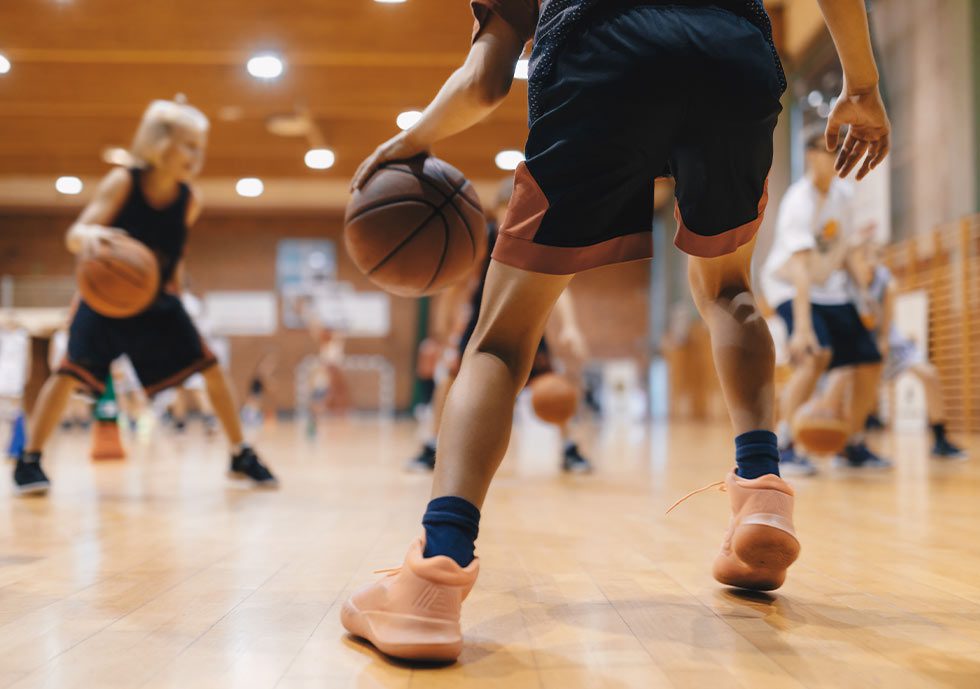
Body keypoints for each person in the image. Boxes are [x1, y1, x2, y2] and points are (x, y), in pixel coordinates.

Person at [342, 0, 890, 662]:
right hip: (733, 50)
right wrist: (861, 84)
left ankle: (436, 573)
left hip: (600, 48)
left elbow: (486, 80)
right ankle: (763, 494)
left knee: (499, 344)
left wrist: (408, 142)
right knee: (729, 290)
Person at [13, 97, 277, 495]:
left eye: (200, 148)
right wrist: (90, 236)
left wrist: (180, 300)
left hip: (155, 299)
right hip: (104, 299)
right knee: (67, 374)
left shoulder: (189, 200)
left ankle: (240, 453)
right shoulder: (123, 182)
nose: (196, 155)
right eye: (188, 145)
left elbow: (175, 257)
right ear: (158, 142)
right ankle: (29, 460)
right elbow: (75, 234)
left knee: (210, 366)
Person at [406, 179, 593, 474]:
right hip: (482, 321)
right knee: (448, 381)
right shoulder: (484, 239)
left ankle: (570, 449)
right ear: (497, 211)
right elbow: (459, 282)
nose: (512, 219)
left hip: (526, 319)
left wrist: (570, 326)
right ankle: (431, 445)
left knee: (552, 387)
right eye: (508, 211)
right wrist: (444, 321)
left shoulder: (538, 240)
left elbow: (560, 287)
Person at [761, 130, 890, 475]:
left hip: (828, 287)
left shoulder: (844, 195)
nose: (836, 159)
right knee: (815, 356)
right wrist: (802, 330)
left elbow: (844, 249)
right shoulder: (798, 202)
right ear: (810, 156)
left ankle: (852, 444)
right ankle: (786, 445)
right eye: (829, 152)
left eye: (840, 153)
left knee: (869, 360)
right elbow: (801, 268)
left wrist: (863, 295)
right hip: (789, 285)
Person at [853, 242, 966, 459]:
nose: (871, 262)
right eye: (866, 256)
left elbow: (885, 329)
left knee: (929, 374)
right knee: (858, 392)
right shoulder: (847, 283)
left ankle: (940, 439)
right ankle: (854, 443)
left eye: (875, 257)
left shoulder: (886, 282)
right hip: (859, 343)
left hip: (888, 341)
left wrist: (883, 346)